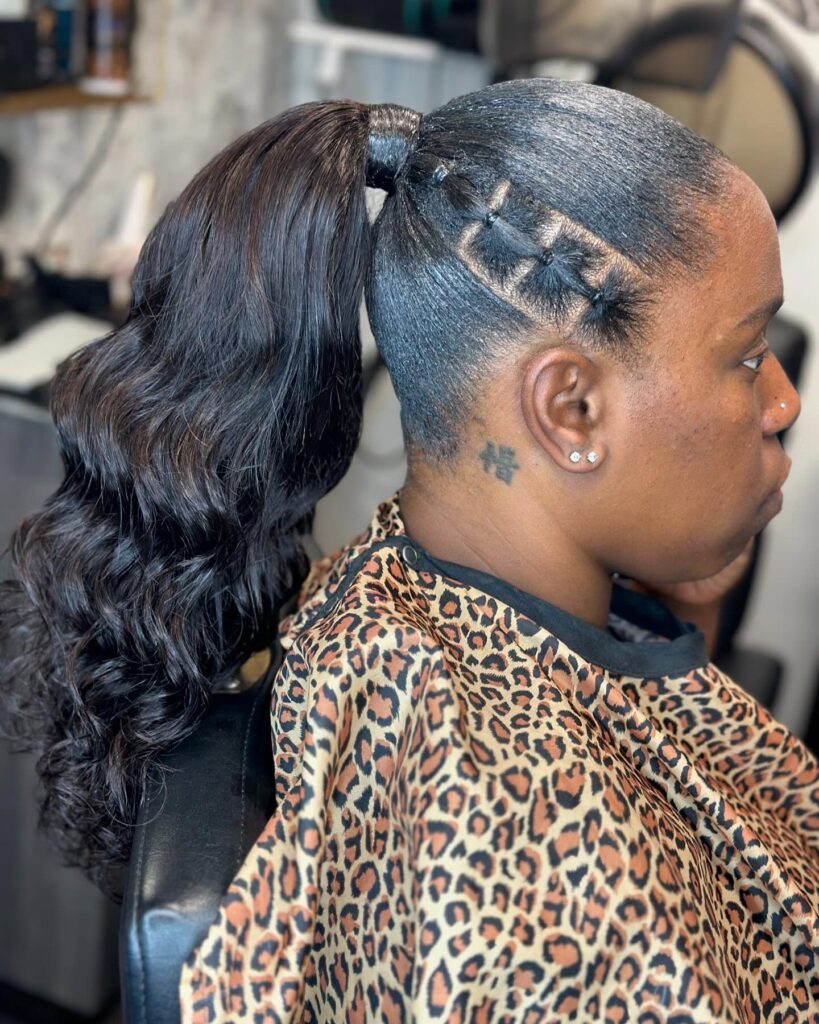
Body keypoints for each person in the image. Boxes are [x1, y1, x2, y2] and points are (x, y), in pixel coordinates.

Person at [0, 77, 815, 1021]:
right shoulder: (545, 880)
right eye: (748, 355)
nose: (783, 402)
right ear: (571, 409)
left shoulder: (384, 596)